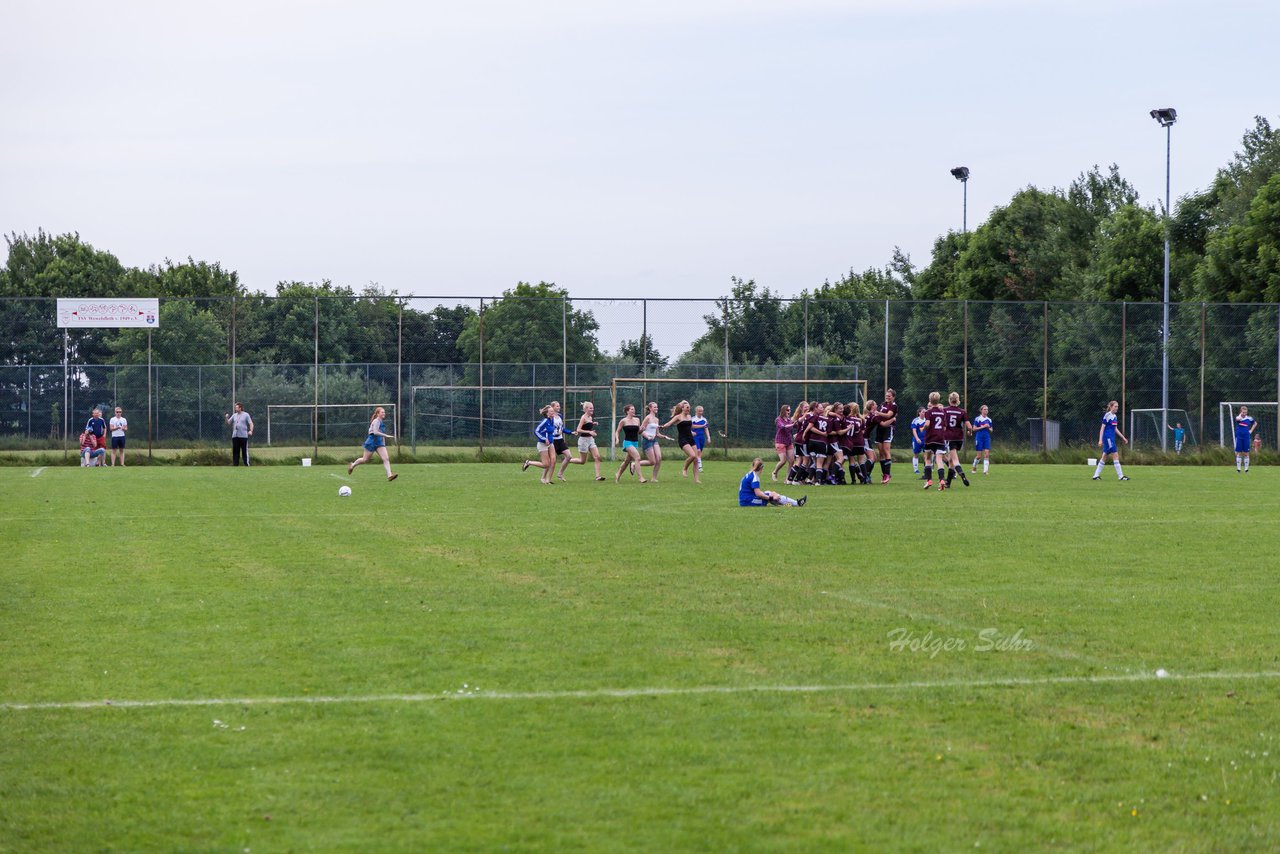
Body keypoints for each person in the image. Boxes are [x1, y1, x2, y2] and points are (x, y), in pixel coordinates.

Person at [348, 406, 398, 481]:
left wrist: (383, 443)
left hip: (379, 442)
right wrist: (386, 435)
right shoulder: (376, 421)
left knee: (386, 458)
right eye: (382, 412)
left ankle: (389, 475)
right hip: (371, 442)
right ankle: (353, 465)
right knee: (365, 460)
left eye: (384, 412)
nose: (384, 413)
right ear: (378, 414)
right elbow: (375, 432)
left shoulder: (381, 422)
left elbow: (380, 433)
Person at [561, 401, 606, 481]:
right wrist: (590, 432)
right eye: (590, 408)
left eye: (593, 408)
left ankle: (598, 476)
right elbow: (578, 429)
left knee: (597, 457)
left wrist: (593, 423)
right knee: (582, 461)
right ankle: (568, 460)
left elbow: (588, 424)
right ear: (586, 409)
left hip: (590, 440)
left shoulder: (590, 417)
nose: (592, 409)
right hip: (583, 441)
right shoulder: (583, 417)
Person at [739, 457, 805, 507]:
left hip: (744, 500)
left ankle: (792, 504)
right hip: (748, 502)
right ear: (762, 468)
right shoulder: (754, 477)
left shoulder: (750, 474)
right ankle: (795, 503)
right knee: (773, 496)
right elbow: (758, 493)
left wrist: (769, 496)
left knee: (770, 493)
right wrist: (770, 498)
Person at [663, 400, 701, 483]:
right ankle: (684, 469)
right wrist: (662, 426)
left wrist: (693, 432)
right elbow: (669, 423)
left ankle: (696, 480)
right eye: (687, 407)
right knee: (692, 455)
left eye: (689, 407)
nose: (688, 409)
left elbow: (689, 427)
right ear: (682, 408)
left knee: (696, 459)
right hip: (683, 439)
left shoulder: (690, 416)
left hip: (691, 439)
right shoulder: (678, 417)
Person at [1093, 400, 1129, 481]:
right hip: (1108, 438)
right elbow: (1102, 428)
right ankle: (1121, 476)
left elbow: (1115, 429)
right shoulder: (1107, 415)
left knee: (1104, 456)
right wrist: (1100, 440)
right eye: (1115, 406)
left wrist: (1123, 437)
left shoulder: (1115, 417)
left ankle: (1095, 476)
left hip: (1111, 438)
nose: (1117, 408)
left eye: (1117, 406)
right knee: (1115, 455)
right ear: (1111, 407)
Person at [523, 404, 558, 484]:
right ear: (547, 413)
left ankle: (548, 480)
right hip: (542, 444)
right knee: (546, 465)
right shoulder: (545, 421)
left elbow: (550, 431)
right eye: (551, 411)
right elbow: (536, 431)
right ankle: (529, 462)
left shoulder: (552, 420)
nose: (553, 412)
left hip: (550, 443)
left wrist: (556, 433)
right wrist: (544, 439)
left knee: (553, 460)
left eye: (553, 411)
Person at [942, 392, 971, 488]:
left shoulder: (945, 410)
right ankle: (948, 483)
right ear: (958, 400)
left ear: (949, 400)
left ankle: (961, 473)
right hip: (959, 438)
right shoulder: (962, 411)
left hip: (950, 437)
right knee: (951, 461)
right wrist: (969, 432)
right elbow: (969, 426)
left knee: (954, 460)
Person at [637, 401, 671, 483]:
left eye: (657, 407)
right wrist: (648, 436)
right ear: (650, 408)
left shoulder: (656, 419)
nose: (656, 408)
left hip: (654, 440)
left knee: (659, 458)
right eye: (654, 407)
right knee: (652, 462)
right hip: (647, 441)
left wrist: (664, 436)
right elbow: (640, 431)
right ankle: (635, 464)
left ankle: (654, 478)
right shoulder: (647, 418)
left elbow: (657, 434)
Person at [614, 404, 646, 483]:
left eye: (634, 409)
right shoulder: (623, 421)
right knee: (637, 458)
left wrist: (642, 429)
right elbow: (617, 431)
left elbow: (638, 432)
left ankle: (618, 474)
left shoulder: (637, 420)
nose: (633, 411)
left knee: (627, 461)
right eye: (632, 409)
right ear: (627, 411)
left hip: (635, 442)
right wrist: (617, 439)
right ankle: (640, 477)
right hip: (627, 443)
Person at [921, 392, 947, 490]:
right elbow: (944, 427)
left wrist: (923, 428)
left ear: (930, 400)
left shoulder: (928, 412)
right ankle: (941, 480)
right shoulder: (942, 412)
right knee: (939, 460)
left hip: (930, 438)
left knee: (927, 459)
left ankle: (929, 480)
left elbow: (927, 424)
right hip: (940, 438)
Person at [875, 388, 899, 484]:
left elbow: (889, 415)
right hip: (880, 428)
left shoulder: (894, 406)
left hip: (888, 429)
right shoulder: (883, 404)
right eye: (886, 395)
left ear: (893, 397)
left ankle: (888, 474)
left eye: (889, 396)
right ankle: (884, 474)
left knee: (886, 450)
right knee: (881, 452)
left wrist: (878, 413)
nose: (887, 397)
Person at [224, 403, 254, 467]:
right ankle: (235, 464)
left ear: (240, 408)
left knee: (244, 451)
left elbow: (251, 423)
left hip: (243, 435)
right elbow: (228, 423)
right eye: (235, 407)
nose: (236, 408)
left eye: (237, 407)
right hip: (235, 435)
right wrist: (226, 418)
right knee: (235, 451)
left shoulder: (246, 415)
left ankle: (246, 464)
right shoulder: (234, 415)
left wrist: (251, 430)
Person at [771, 404, 795, 482]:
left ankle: (787, 479)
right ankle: (774, 472)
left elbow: (794, 426)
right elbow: (782, 426)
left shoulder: (789, 420)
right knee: (783, 461)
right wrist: (792, 424)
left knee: (791, 461)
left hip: (788, 442)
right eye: (787, 410)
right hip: (780, 442)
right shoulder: (779, 419)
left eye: (790, 410)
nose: (789, 411)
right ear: (783, 411)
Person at [1234, 406, 1257, 473]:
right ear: (1241, 411)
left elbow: (1255, 423)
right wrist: (1240, 415)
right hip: (1239, 437)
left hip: (1246, 437)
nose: (1244, 413)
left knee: (1246, 453)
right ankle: (1238, 469)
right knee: (1239, 453)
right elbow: (1238, 419)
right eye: (1243, 412)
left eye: (1245, 412)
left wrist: (1251, 431)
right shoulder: (1238, 417)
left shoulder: (1249, 418)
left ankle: (1246, 469)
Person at [971, 405, 992, 474]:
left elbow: (991, 430)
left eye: (987, 409)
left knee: (986, 454)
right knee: (979, 456)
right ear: (981, 410)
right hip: (979, 437)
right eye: (985, 409)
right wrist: (982, 427)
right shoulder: (977, 419)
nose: (986, 411)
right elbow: (974, 429)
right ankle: (974, 467)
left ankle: (985, 471)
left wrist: (988, 427)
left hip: (986, 438)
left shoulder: (989, 420)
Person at [910, 407, 928, 476]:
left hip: (925, 440)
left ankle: (926, 469)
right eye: (923, 412)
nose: (924, 413)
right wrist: (917, 439)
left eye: (925, 412)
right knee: (916, 454)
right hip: (917, 440)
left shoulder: (927, 420)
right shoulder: (915, 420)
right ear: (919, 413)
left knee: (926, 455)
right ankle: (916, 469)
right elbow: (914, 430)